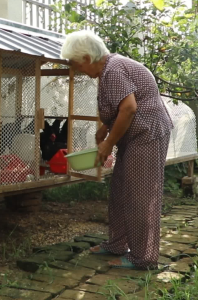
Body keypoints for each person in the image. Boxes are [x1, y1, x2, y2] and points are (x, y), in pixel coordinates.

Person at [60, 30, 173, 270]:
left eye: (76, 64)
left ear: (87, 59)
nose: (77, 70)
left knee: (140, 195)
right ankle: (117, 243)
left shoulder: (113, 70)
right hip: (135, 137)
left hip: (147, 135)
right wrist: (105, 127)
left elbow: (130, 108)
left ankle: (143, 258)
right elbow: (123, 104)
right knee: (121, 189)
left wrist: (108, 143)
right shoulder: (110, 68)